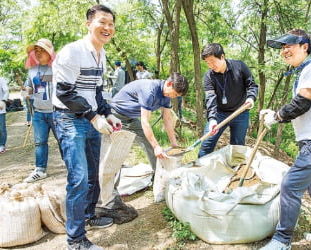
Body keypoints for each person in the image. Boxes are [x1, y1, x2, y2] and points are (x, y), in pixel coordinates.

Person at [260, 29, 311, 250]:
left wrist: (276, 116)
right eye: (282, 48)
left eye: (289, 46)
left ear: (305, 47)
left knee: (290, 185)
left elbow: (303, 102)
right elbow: (301, 106)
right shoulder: (305, 70)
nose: (285, 51)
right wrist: (275, 113)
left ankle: (282, 241)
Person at [52, 4, 122, 250]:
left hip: (91, 118)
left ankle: (89, 216)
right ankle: (75, 240)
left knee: (93, 175)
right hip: (69, 119)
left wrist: (107, 113)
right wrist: (94, 117)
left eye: (111, 23)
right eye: (102, 22)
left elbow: (95, 91)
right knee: (79, 179)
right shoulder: (72, 52)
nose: (107, 28)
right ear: (88, 24)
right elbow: (64, 92)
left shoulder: (100, 55)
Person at [110, 72, 189, 171]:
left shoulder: (166, 96)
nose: (173, 97)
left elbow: (167, 119)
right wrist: (156, 146)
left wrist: (174, 143)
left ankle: (159, 176)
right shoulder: (150, 90)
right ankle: (110, 185)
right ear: (169, 84)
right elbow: (145, 121)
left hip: (131, 118)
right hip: (115, 116)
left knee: (150, 144)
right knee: (116, 153)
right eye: (175, 94)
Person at [198, 43, 258, 158]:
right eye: (207, 62)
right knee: (206, 145)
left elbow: (252, 85)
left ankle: (235, 173)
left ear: (222, 56)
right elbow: (210, 99)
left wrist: (251, 98)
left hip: (240, 112)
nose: (210, 65)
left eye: (212, 61)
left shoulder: (240, 66)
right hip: (219, 114)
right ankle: (201, 171)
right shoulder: (209, 77)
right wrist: (212, 119)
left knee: (238, 148)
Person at [20, 38, 61, 183]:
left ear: (50, 51)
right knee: (39, 142)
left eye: (41, 50)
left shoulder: (58, 67)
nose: (38, 53)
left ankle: (72, 167)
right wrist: (26, 92)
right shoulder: (32, 70)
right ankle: (40, 170)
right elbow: (29, 86)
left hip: (57, 112)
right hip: (38, 113)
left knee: (63, 140)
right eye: (36, 50)